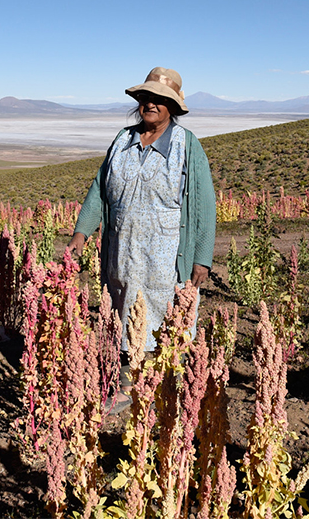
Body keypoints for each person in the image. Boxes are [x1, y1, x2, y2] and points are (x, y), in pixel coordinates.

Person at [65, 66, 216, 357]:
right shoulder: (123, 140)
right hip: (123, 254)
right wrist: (81, 233)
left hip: (167, 259)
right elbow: (100, 189)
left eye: (159, 98)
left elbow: (204, 207)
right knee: (124, 315)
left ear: (172, 106)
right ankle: (127, 378)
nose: (150, 103)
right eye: (145, 96)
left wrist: (201, 258)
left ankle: (163, 384)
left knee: (167, 326)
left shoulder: (187, 145)